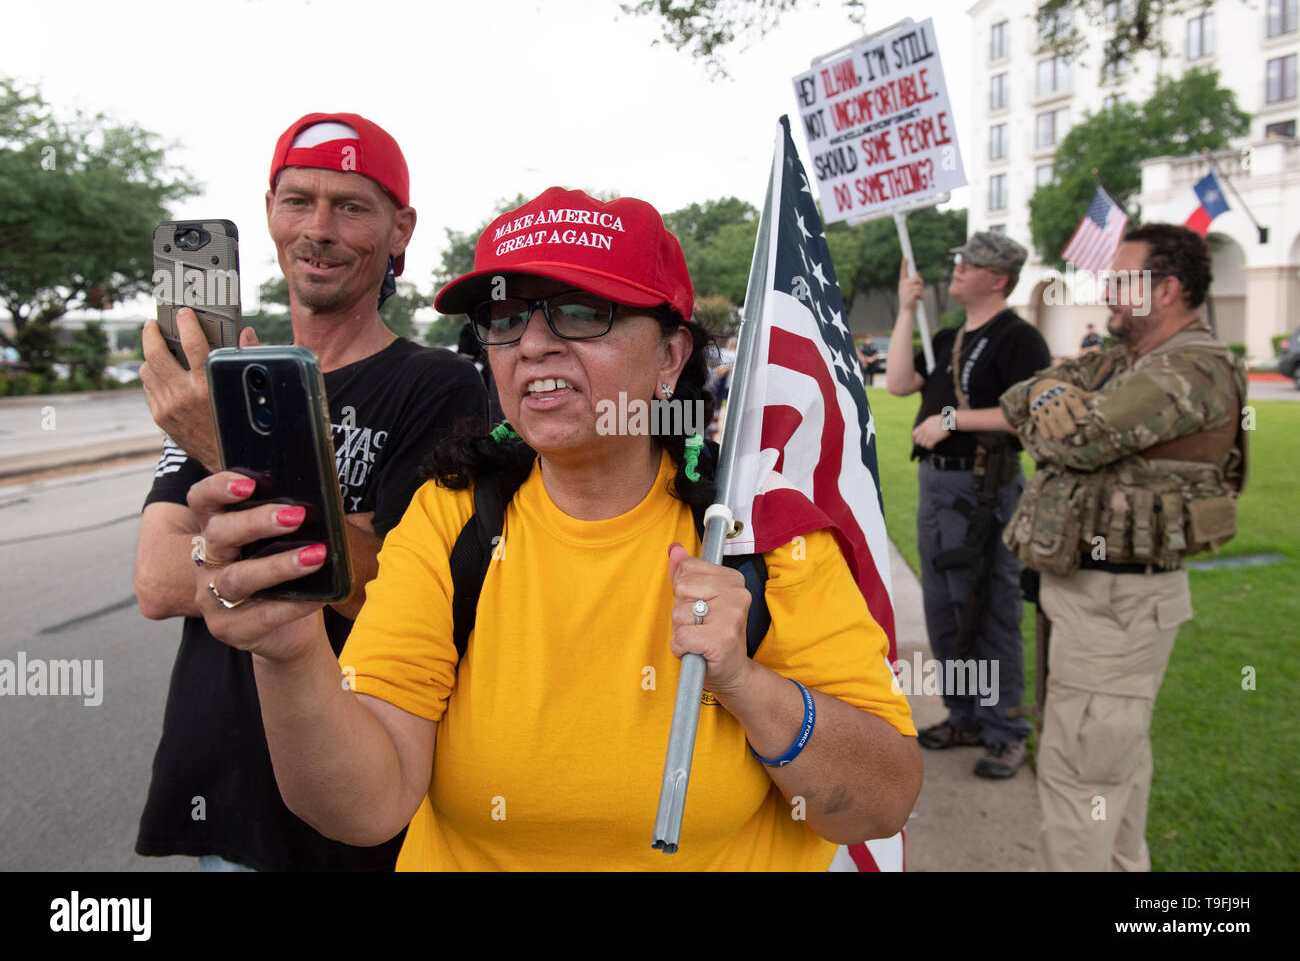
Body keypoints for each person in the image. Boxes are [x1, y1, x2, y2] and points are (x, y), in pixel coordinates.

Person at [186, 187, 922, 870]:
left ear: (671, 356)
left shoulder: (762, 534)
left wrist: (745, 682)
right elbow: (365, 808)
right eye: (505, 319)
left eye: (579, 311)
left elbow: (882, 804)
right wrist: (288, 652)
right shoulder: (449, 519)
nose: (532, 343)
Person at [133, 112, 487, 871]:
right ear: (268, 213)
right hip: (225, 795)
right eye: (298, 200)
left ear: (400, 231)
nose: (318, 228)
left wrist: (224, 458)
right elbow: (160, 581)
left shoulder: (440, 386)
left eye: (351, 206)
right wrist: (336, 535)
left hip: (361, 795)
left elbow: (399, 591)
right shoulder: (225, 378)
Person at [1000, 224, 1247, 871]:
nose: (1106, 289)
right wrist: (1049, 391)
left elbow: (1076, 440)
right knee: (1112, 775)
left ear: (1165, 290)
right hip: (1093, 594)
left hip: (1119, 602)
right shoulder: (1120, 359)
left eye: (1122, 279)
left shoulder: (1190, 369)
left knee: (1080, 779)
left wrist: (1053, 403)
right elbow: (1021, 393)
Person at [884, 232, 1050, 779]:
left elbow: (1030, 413)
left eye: (969, 262)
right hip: (938, 486)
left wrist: (952, 420)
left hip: (985, 489)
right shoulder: (951, 335)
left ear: (997, 278)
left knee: (991, 607)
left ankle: (1004, 729)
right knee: (946, 609)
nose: (957, 267)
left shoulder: (1019, 338)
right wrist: (907, 309)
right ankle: (964, 716)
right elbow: (900, 383)